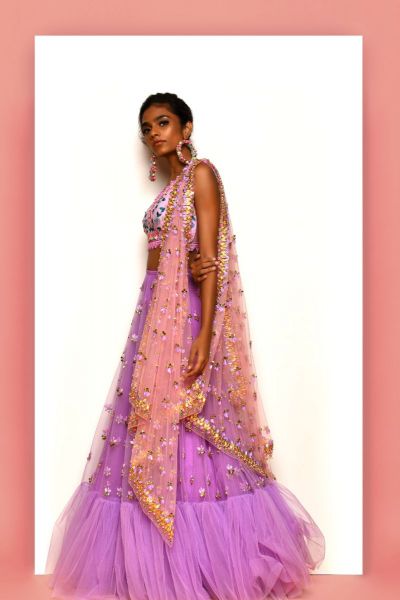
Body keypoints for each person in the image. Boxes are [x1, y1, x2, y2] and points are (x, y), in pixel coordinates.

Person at [46, 92, 325, 600]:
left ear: (186, 127)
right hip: (155, 312)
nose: (154, 133)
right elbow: (173, 256)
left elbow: (211, 258)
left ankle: (206, 569)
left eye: (163, 123)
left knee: (188, 423)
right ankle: (153, 567)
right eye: (147, 127)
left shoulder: (201, 175)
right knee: (149, 422)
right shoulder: (172, 188)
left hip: (186, 316)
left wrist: (204, 335)